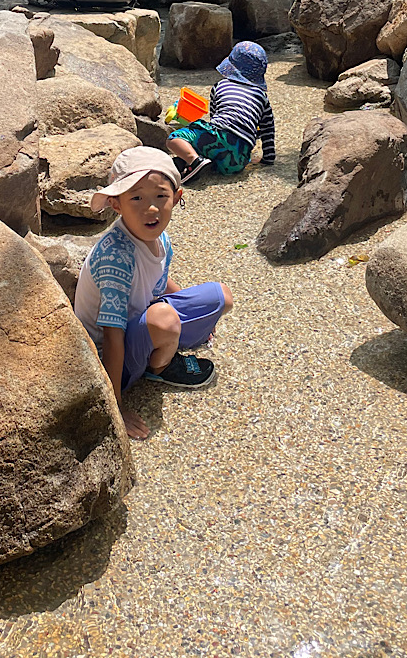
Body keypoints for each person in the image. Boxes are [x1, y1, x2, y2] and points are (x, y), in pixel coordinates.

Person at [74, 147, 233, 440]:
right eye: (136, 198)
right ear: (116, 204)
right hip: (107, 355)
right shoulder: (116, 256)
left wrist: (196, 315)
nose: (151, 209)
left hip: (140, 322)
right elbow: (112, 335)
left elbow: (161, 280)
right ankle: (158, 368)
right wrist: (115, 407)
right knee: (165, 320)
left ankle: (164, 342)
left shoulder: (161, 239)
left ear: (177, 197)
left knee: (221, 297)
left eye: (160, 196)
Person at [167, 40, 276, 183]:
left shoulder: (220, 85)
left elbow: (214, 122)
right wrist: (268, 158)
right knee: (218, 150)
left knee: (174, 139)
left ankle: (194, 160)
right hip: (239, 159)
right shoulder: (261, 96)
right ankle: (200, 164)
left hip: (218, 136)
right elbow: (268, 128)